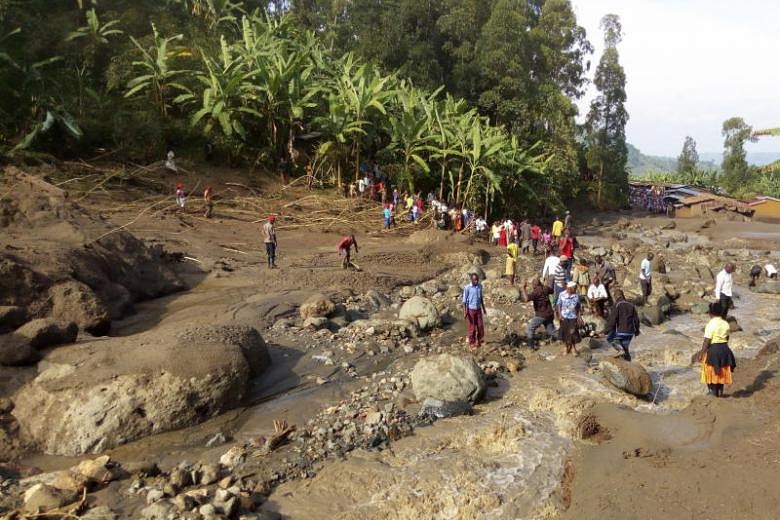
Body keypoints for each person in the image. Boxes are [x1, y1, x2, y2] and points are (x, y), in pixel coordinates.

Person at [697, 301, 736, 398]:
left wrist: (702, 353)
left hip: (714, 350)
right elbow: (727, 338)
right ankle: (720, 391)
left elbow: (707, 341)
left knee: (710, 370)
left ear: (710, 313)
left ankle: (712, 391)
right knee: (722, 370)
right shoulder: (725, 323)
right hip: (725, 349)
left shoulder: (711, 324)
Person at [602, 289, 640, 361]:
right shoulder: (631, 305)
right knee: (625, 349)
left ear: (616, 296)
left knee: (609, 338)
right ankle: (629, 364)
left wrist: (605, 331)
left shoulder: (617, 305)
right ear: (623, 295)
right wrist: (637, 331)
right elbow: (636, 320)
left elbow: (612, 321)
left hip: (621, 331)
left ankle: (620, 349)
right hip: (630, 332)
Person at [522, 278, 556, 350]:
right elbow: (552, 291)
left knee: (530, 328)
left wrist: (523, 288)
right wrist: (546, 284)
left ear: (534, 285)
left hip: (541, 315)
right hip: (550, 314)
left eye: (532, 285)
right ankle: (565, 337)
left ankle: (531, 347)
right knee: (551, 331)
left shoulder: (536, 292)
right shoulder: (545, 288)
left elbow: (526, 299)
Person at [555, 281, 581, 355]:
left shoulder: (576, 295)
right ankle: (565, 347)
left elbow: (578, 307)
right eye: (574, 288)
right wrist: (559, 314)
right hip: (564, 316)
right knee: (564, 332)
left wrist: (579, 317)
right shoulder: (562, 294)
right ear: (569, 288)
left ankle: (573, 348)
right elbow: (558, 305)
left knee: (573, 333)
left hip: (573, 317)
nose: (576, 289)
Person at [462, 272, 486, 352]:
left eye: (477, 280)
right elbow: (464, 301)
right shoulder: (467, 288)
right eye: (474, 280)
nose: (476, 281)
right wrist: (465, 312)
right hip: (471, 310)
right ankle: (471, 343)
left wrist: (484, 308)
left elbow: (481, 298)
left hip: (478, 309)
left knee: (480, 326)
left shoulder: (479, 286)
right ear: (471, 279)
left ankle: (479, 340)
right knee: (472, 327)